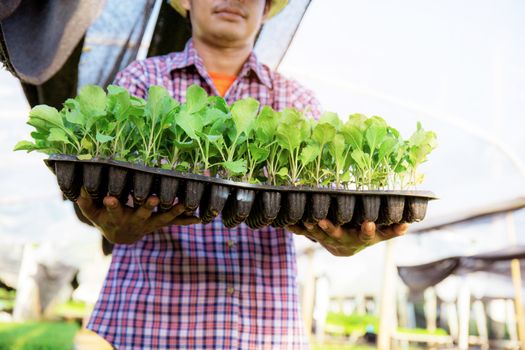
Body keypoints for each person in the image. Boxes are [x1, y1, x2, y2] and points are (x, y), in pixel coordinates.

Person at [76, 0, 409, 348]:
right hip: (154, 323)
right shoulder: (142, 81)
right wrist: (116, 229)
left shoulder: (295, 100)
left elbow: (319, 205)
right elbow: (110, 189)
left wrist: (339, 240)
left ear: (266, 9)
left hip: (262, 327)